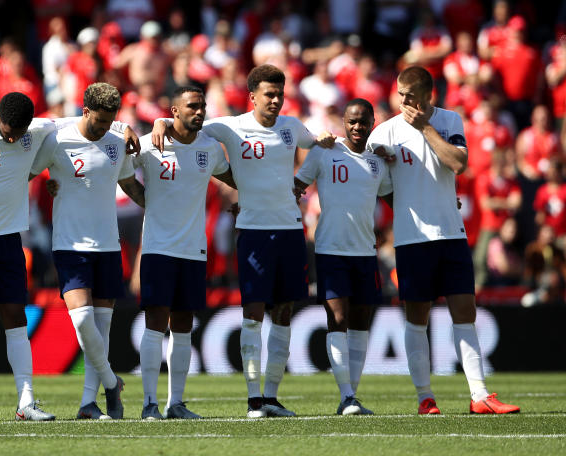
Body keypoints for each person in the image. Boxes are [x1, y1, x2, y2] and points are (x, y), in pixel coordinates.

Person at [152, 64, 336, 418]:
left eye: (280, 94)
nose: (276, 100)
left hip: (290, 230)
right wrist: (160, 122)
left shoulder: (291, 127)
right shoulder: (231, 126)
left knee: (283, 313)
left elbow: (317, 141)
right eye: (269, 94)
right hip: (253, 232)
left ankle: (271, 397)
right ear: (252, 97)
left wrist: (326, 139)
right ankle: (253, 400)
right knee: (253, 313)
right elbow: (187, 123)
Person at [0, 91, 135, 421]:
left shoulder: (37, 131)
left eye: (20, 132)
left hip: (11, 239)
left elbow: (77, 120)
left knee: (16, 320)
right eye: (9, 130)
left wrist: (123, 127)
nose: (13, 137)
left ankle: (26, 403)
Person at [366, 66, 520, 415]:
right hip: (412, 238)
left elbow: (458, 163)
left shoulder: (449, 121)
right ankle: (425, 397)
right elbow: (381, 188)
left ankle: (479, 396)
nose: (403, 102)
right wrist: (408, 205)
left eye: (409, 96)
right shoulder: (384, 133)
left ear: (427, 96)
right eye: (400, 95)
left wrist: (425, 128)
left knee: (464, 312)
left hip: (451, 233)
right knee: (416, 316)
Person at [30, 83, 144, 420]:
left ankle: (88, 403)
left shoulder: (116, 143)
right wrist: (50, 185)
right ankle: (112, 382)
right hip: (69, 243)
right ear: (84, 111)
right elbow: (31, 173)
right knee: (82, 320)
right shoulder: (57, 141)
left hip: (108, 245)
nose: (105, 128)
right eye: (99, 121)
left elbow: (129, 185)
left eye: (111, 121)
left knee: (102, 328)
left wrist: (159, 207)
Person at [133, 86, 235, 420]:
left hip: (194, 250)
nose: (200, 111)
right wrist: (144, 199)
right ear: (174, 111)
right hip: (158, 248)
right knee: (154, 323)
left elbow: (235, 178)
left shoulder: (210, 148)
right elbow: (118, 168)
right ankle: (149, 402)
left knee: (183, 326)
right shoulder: (150, 143)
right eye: (192, 106)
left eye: (202, 105)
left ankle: (175, 402)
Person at [294, 99, 392, 416]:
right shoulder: (325, 151)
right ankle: (347, 395)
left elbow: (395, 196)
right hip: (330, 249)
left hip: (365, 252)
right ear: (343, 122)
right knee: (337, 318)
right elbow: (296, 185)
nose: (357, 127)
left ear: (372, 122)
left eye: (363, 121)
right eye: (351, 121)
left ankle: (352, 394)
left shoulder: (379, 162)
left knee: (361, 322)